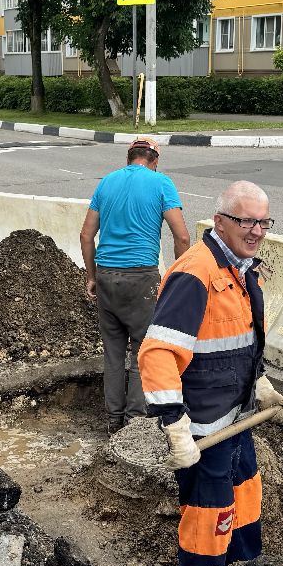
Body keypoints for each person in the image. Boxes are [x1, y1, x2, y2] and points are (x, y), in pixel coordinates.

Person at [138, 181, 283, 566]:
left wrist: (261, 386)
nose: (256, 231)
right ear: (220, 222)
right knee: (209, 518)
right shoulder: (196, 273)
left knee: (245, 502)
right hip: (206, 427)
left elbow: (235, 343)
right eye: (246, 221)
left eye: (263, 222)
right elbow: (157, 354)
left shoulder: (242, 270)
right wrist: (174, 426)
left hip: (238, 419)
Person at [79, 137, 191, 432]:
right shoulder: (161, 183)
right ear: (155, 160)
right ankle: (134, 422)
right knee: (143, 349)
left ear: (129, 158)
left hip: (105, 276)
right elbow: (182, 237)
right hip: (141, 278)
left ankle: (112, 419)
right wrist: (179, 280)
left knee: (113, 352)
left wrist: (91, 276)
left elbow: (86, 235)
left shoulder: (106, 183)